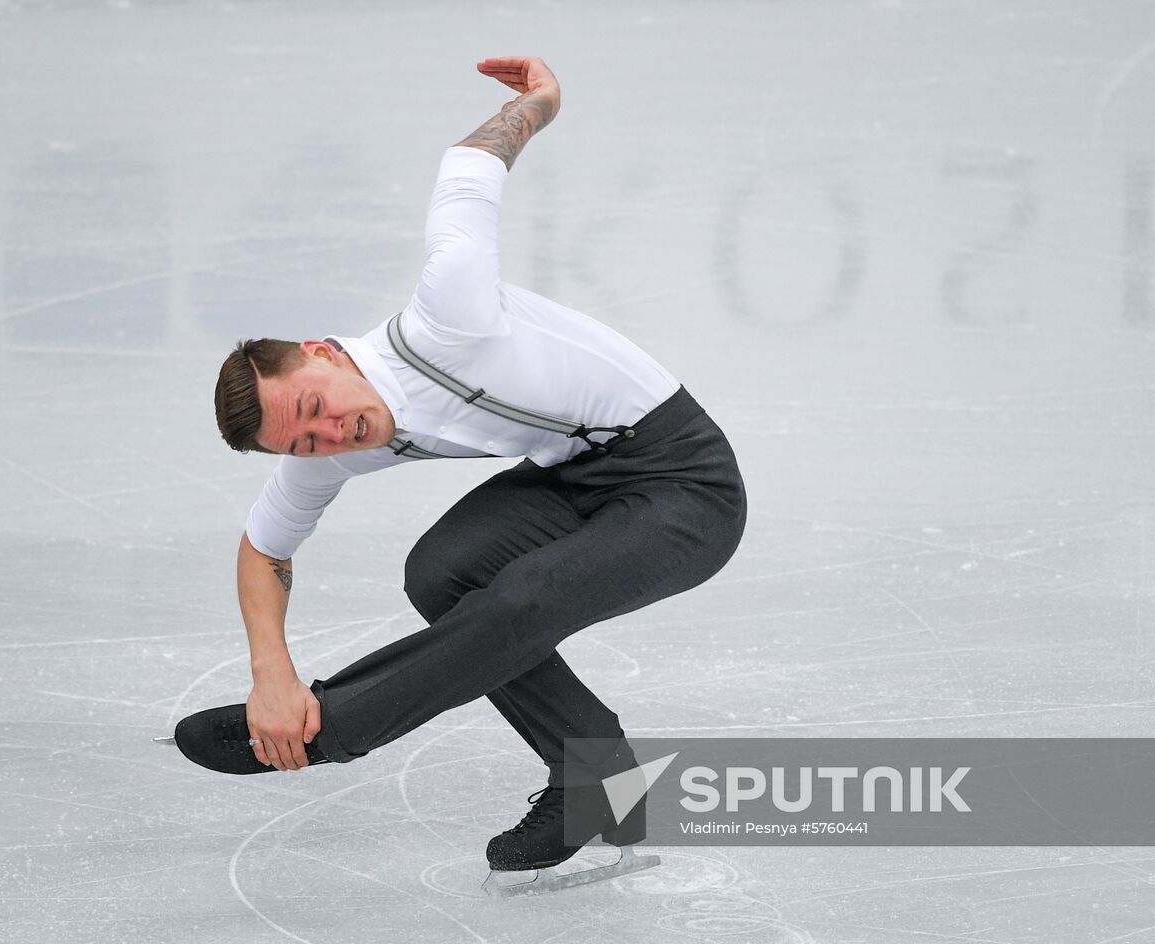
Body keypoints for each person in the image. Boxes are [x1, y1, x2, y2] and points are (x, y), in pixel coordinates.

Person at [194, 56, 747, 880]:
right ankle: (598, 777)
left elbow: (467, 172)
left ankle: (331, 730)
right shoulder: (326, 449)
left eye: (313, 409)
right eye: (303, 444)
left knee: (523, 599)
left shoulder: (447, 311)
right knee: (442, 572)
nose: (330, 435)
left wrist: (537, 106)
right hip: (577, 477)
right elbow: (262, 550)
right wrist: (269, 673)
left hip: (684, 485)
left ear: (319, 351)